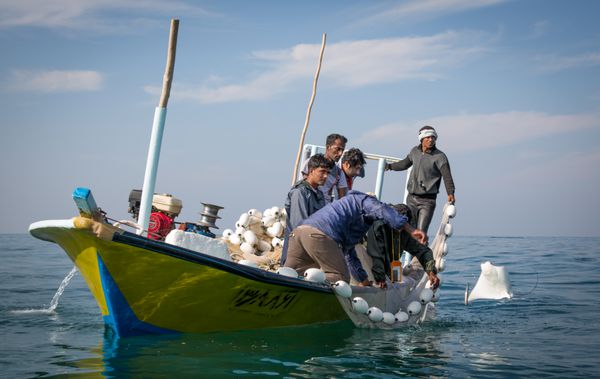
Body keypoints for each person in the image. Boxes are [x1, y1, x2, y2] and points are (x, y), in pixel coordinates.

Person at [284, 190, 440, 289]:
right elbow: (376, 253)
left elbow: (424, 251)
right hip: (374, 266)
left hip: (298, 233)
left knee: (289, 274)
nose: (397, 229)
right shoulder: (371, 215)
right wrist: (410, 228)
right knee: (340, 277)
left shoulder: (359, 225)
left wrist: (431, 272)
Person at [386, 125, 455, 239]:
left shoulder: (440, 157)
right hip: (411, 198)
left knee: (421, 234)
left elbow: (447, 176)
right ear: (422, 139)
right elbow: (404, 164)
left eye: (433, 137)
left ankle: (422, 256)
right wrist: (389, 166)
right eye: (428, 137)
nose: (431, 140)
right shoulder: (414, 152)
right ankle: (409, 255)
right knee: (410, 231)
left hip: (427, 201)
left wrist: (450, 193)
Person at [366, 204, 438, 288]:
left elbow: (424, 251)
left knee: (396, 284)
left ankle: (394, 284)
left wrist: (431, 272)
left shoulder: (405, 233)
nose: (400, 229)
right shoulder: (379, 226)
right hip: (371, 267)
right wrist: (380, 278)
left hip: (393, 267)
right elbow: (376, 255)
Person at [281, 154, 333, 265]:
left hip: (311, 252)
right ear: (311, 171)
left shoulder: (319, 194)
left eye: (327, 173)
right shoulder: (299, 192)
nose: (325, 176)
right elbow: (300, 228)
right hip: (297, 254)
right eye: (322, 172)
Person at [302, 133, 348, 203]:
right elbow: (303, 187)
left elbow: (343, 200)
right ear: (328, 147)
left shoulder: (339, 173)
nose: (340, 153)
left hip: (325, 209)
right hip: (310, 206)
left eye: (342, 150)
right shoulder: (310, 163)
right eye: (337, 149)